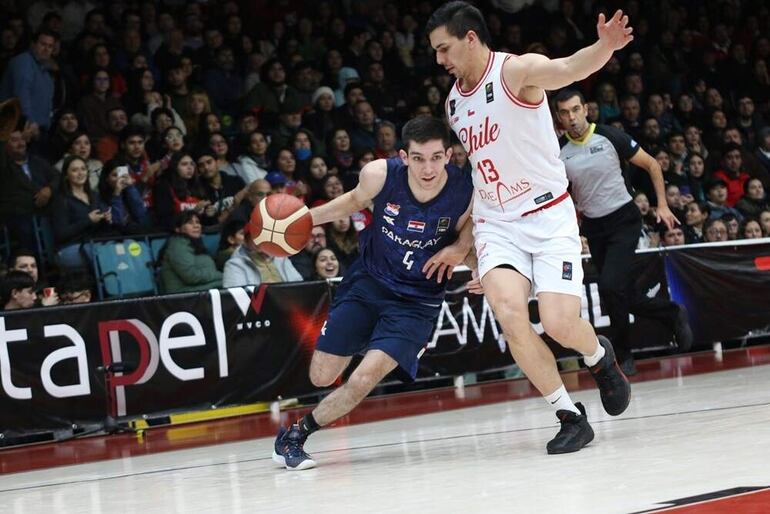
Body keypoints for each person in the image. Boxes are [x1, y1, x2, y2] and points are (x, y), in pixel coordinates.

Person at [427, 2, 632, 454]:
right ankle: (568, 415)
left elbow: (569, 67)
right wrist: (474, 248)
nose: (439, 60)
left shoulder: (516, 72)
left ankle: (600, 356)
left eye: (444, 49)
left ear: (471, 39)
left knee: (559, 323)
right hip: (498, 223)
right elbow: (484, 171)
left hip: (548, 214)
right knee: (509, 314)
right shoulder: (454, 103)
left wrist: (605, 46)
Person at [272, 116, 474, 470]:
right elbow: (350, 202)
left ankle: (295, 435)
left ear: (449, 155)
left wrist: (471, 258)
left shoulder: (465, 190)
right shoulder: (380, 174)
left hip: (416, 302)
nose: (428, 168)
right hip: (369, 282)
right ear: (403, 156)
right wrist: (300, 220)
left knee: (363, 378)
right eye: (418, 158)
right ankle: (366, 335)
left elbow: (471, 234)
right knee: (320, 376)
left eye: (436, 157)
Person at [554, 89, 692, 374]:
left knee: (609, 286)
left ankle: (622, 353)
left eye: (576, 109)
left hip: (623, 220)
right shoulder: (558, 152)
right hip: (594, 225)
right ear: (559, 117)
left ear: (586, 109)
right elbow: (559, 195)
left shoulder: (609, 136)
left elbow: (652, 164)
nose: (572, 117)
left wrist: (662, 205)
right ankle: (671, 313)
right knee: (618, 293)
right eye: (565, 112)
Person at [158, 211, 222, 293]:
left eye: (197, 222)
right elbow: (191, 276)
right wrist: (218, 275)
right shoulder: (177, 246)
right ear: (178, 229)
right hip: (183, 297)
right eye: (190, 223)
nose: (196, 226)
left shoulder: (193, 243)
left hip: (197, 292)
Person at [222, 223, 303, 288]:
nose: (260, 239)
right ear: (246, 241)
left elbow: (299, 284)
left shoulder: (280, 257)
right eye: (255, 236)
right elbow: (236, 300)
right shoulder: (234, 265)